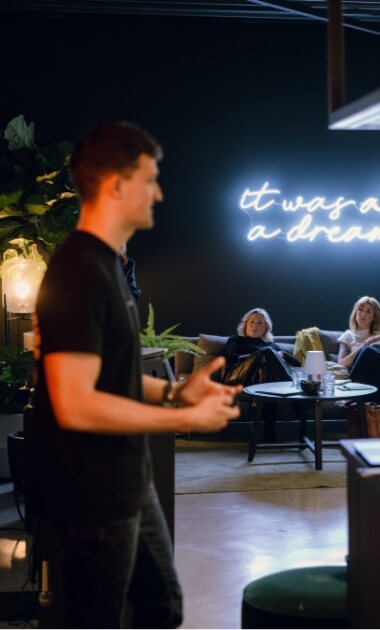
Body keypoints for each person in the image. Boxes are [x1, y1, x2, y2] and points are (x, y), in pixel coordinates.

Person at [31, 121, 242, 628]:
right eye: (150, 179)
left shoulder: (111, 265)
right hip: (93, 492)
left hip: (127, 479)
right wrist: (185, 418)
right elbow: (76, 402)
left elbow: (109, 375)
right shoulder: (79, 270)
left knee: (161, 608)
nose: (159, 192)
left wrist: (174, 390)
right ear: (117, 185)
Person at [222, 307, 296, 385]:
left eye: (259, 323)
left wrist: (283, 354)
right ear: (245, 325)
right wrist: (259, 356)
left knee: (264, 367)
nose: (255, 325)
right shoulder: (236, 340)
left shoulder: (271, 345)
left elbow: (297, 365)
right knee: (267, 352)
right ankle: (289, 384)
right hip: (236, 376)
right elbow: (230, 359)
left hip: (261, 378)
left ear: (266, 327)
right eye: (252, 321)